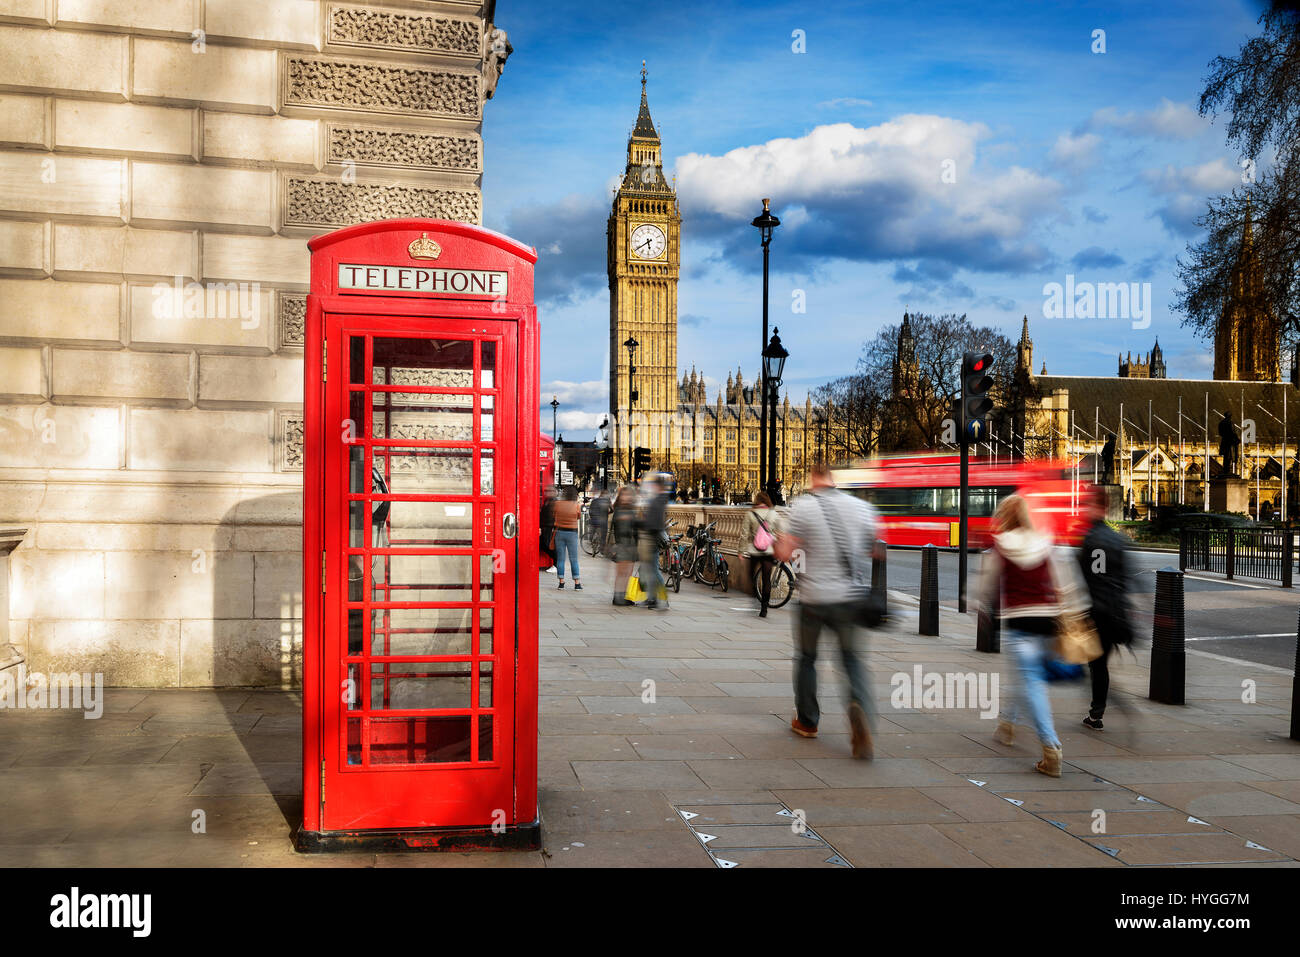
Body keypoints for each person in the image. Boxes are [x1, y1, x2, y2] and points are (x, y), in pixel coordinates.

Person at [977, 494, 1086, 777]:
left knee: (1031, 682)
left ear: (1005, 517)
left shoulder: (1001, 546)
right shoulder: (1046, 543)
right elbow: (1067, 583)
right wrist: (1075, 612)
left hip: (1020, 625)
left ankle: (1051, 749)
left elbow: (987, 585)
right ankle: (1007, 725)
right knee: (1024, 676)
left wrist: (979, 604)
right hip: (1048, 622)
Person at [774, 461, 877, 759]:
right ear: (834, 478)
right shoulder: (860, 507)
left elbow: (787, 553)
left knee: (807, 658)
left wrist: (781, 544)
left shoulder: (803, 507)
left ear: (814, 478)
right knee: (852, 661)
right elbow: (874, 548)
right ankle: (859, 710)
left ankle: (807, 721)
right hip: (850, 599)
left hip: (813, 599)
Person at [1077, 486, 1133, 730]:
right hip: (1116, 610)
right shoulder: (1117, 539)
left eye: (1088, 504)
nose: (1084, 509)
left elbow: (1087, 577)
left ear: (1098, 507)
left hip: (1097, 611)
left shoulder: (1092, 538)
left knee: (1096, 664)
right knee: (1100, 663)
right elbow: (1125, 577)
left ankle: (1098, 711)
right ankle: (1097, 710)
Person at [742, 491, 780, 617]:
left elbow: (744, 534)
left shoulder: (750, 514)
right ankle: (764, 608)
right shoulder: (773, 513)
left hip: (754, 550)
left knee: (751, 574)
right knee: (766, 579)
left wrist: (740, 551)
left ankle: (754, 592)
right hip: (768, 550)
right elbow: (781, 531)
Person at [638, 475, 669, 609]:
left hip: (653, 538)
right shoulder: (658, 499)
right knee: (649, 570)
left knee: (654, 571)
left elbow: (655, 522)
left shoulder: (658, 500)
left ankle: (662, 599)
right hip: (652, 537)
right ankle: (652, 598)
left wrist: (640, 523)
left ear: (657, 486)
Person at [610, 486, 640, 605]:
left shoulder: (629, 511)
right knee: (622, 573)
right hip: (623, 546)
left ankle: (621, 596)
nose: (626, 498)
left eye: (629, 495)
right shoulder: (621, 511)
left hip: (631, 546)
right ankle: (618, 598)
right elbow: (622, 530)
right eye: (624, 495)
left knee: (627, 573)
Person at [552, 487, 582, 590]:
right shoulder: (576, 505)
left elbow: (554, 515)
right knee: (574, 559)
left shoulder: (557, 504)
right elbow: (578, 517)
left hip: (559, 532)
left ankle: (561, 582)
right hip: (572, 533)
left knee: (560, 558)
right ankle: (577, 583)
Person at [539, 485, 557, 573]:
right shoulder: (547, 500)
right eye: (545, 491)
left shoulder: (554, 501)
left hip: (549, 526)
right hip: (544, 526)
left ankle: (556, 564)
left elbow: (555, 515)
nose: (546, 493)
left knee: (548, 545)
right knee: (543, 544)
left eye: (548, 491)